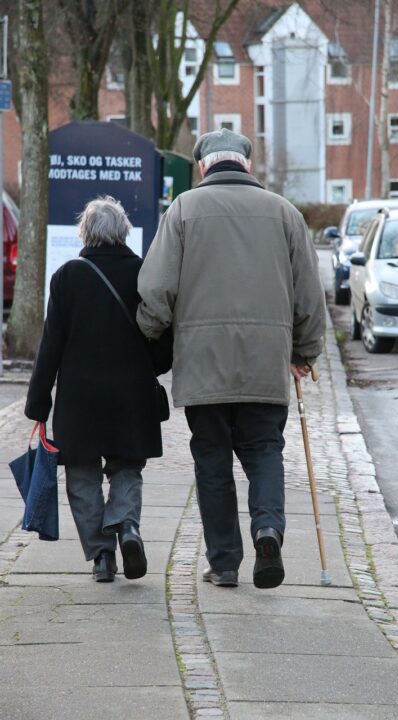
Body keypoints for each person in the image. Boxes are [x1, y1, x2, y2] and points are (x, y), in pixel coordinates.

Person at [137, 129, 326, 590]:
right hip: (266, 360)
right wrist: (304, 351)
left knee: (212, 461)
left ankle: (224, 562)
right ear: (247, 165)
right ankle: (268, 529)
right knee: (265, 451)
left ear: (203, 166)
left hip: (203, 364)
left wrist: (147, 334)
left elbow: (157, 289)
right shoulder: (285, 213)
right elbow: (309, 295)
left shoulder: (183, 210)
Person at [25, 196, 172, 583]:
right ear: (123, 232)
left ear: (85, 233)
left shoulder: (67, 277)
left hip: (80, 399)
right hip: (131, 395)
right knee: (127, 467)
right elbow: (162, 335)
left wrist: (38, 403)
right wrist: (154, 365)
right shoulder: (142, 274)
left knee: (82, 475)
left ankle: (102, 556)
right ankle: (127, 526)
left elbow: (51, 346)